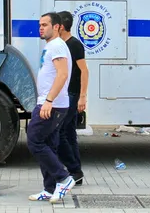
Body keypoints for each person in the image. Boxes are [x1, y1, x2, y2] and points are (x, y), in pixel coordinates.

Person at [28, 12, 75, 203]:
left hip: (52, 105)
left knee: (34, 140)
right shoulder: (52, 46)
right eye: (40, 25)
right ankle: (49, 188)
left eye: (45, 24)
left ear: (57, 27)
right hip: (50, 103)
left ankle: (63, 178)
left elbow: (62, 75)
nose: (41, 28)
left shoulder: (57, 46)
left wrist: (48, 100)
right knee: (49, 145)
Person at [57, 11, 89, 185]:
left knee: (60, 131)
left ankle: (73, 168)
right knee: (69, 133)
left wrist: (82, 97)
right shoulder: (61, 45)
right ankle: (76, 172)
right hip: (64, 94)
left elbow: (84, 70)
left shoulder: (74, 45)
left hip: (72, 95)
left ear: (61, 26)